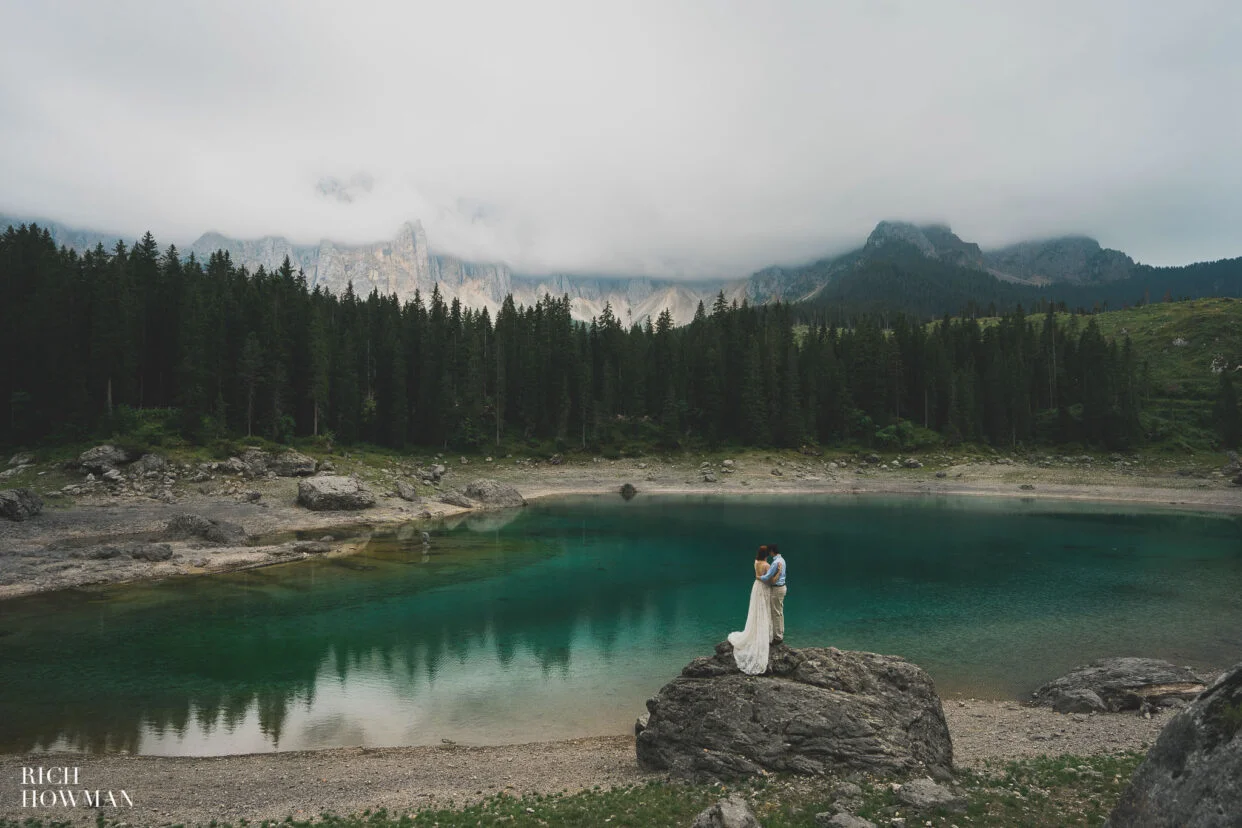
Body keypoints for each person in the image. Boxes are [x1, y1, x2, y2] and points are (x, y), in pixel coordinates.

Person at [727, 546, 773, 674]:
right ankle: (763, 634)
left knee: (756, 610)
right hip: (763, 587)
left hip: (756, 587)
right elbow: (767, 579)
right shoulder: (767, 565)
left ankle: (755, 630)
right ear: (766, 555)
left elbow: (757, 576)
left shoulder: (756, 562)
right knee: (763, 610)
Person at [758, 543, 786, 645]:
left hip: (777, 589)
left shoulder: (775, 563)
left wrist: (758, 577)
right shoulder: (782, 560)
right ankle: (780, 633)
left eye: (769, 552)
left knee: (776, 613)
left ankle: (778, 637)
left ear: (772, 551)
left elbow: (767, 577)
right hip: (782, 587)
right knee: (779, 612)